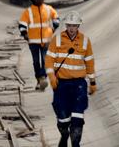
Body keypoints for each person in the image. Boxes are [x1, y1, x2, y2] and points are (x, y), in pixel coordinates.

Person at [45, 11, 96, 147]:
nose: (72, 28)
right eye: (69, 25)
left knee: (77, 116)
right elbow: (49, 59)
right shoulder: (57, 39)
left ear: (78, 26)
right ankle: (64, 134)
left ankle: (75, 143)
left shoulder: (85, 41)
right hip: (61, 84)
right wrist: (51, 77)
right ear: (66, 25)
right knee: (63, 117)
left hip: (79, 84)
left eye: (75, 25)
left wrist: (92, 81)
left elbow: (89, 62)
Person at [18, 0, 59, 91]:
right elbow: (22, 24)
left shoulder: (48, 9)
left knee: (45, 60)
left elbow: (56, 18)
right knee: (36, 62)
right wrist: (24, 33)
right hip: (33, 42)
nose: (40, 1)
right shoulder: (28, 12)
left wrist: (53, 28)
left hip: (46, 40)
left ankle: (43, 78)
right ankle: (38, 80)